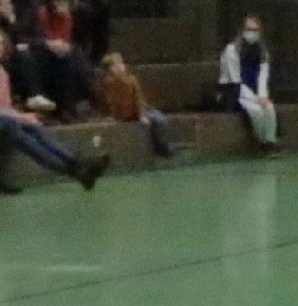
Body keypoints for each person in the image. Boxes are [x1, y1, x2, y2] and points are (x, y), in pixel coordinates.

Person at [0, 25, 107, 193]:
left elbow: (5, 107)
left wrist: (23, 116)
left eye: (1, 43)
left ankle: (77, 164)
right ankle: (77, 168)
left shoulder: (3, 72)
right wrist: (20, 117)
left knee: (32, 128)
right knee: (13, 126)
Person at [94, 52, 175, 160]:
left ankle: (162, 145)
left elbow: (139, 98)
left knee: (158, 117)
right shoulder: (116, 82)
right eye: (119, 64)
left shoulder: (128, 79)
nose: (122, 66)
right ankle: (162, 148)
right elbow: (130, 100)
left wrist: (143, 111)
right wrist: (141, 115)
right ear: (112, 68)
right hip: (130, 114)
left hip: (136, 111)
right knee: (159, 119)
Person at [218, 15, 280, 152]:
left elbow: (263, 76)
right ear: (242, 30)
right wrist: (254, 98)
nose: (252, 33)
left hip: (255, 91)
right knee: (256, 111)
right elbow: (235, 80)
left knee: (269, 108)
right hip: (234, 92)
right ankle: (262, 142)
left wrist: (263, 96)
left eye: (255, 30)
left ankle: (271, 141)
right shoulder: (231, 50)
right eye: (249, 29)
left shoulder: (262, 52)